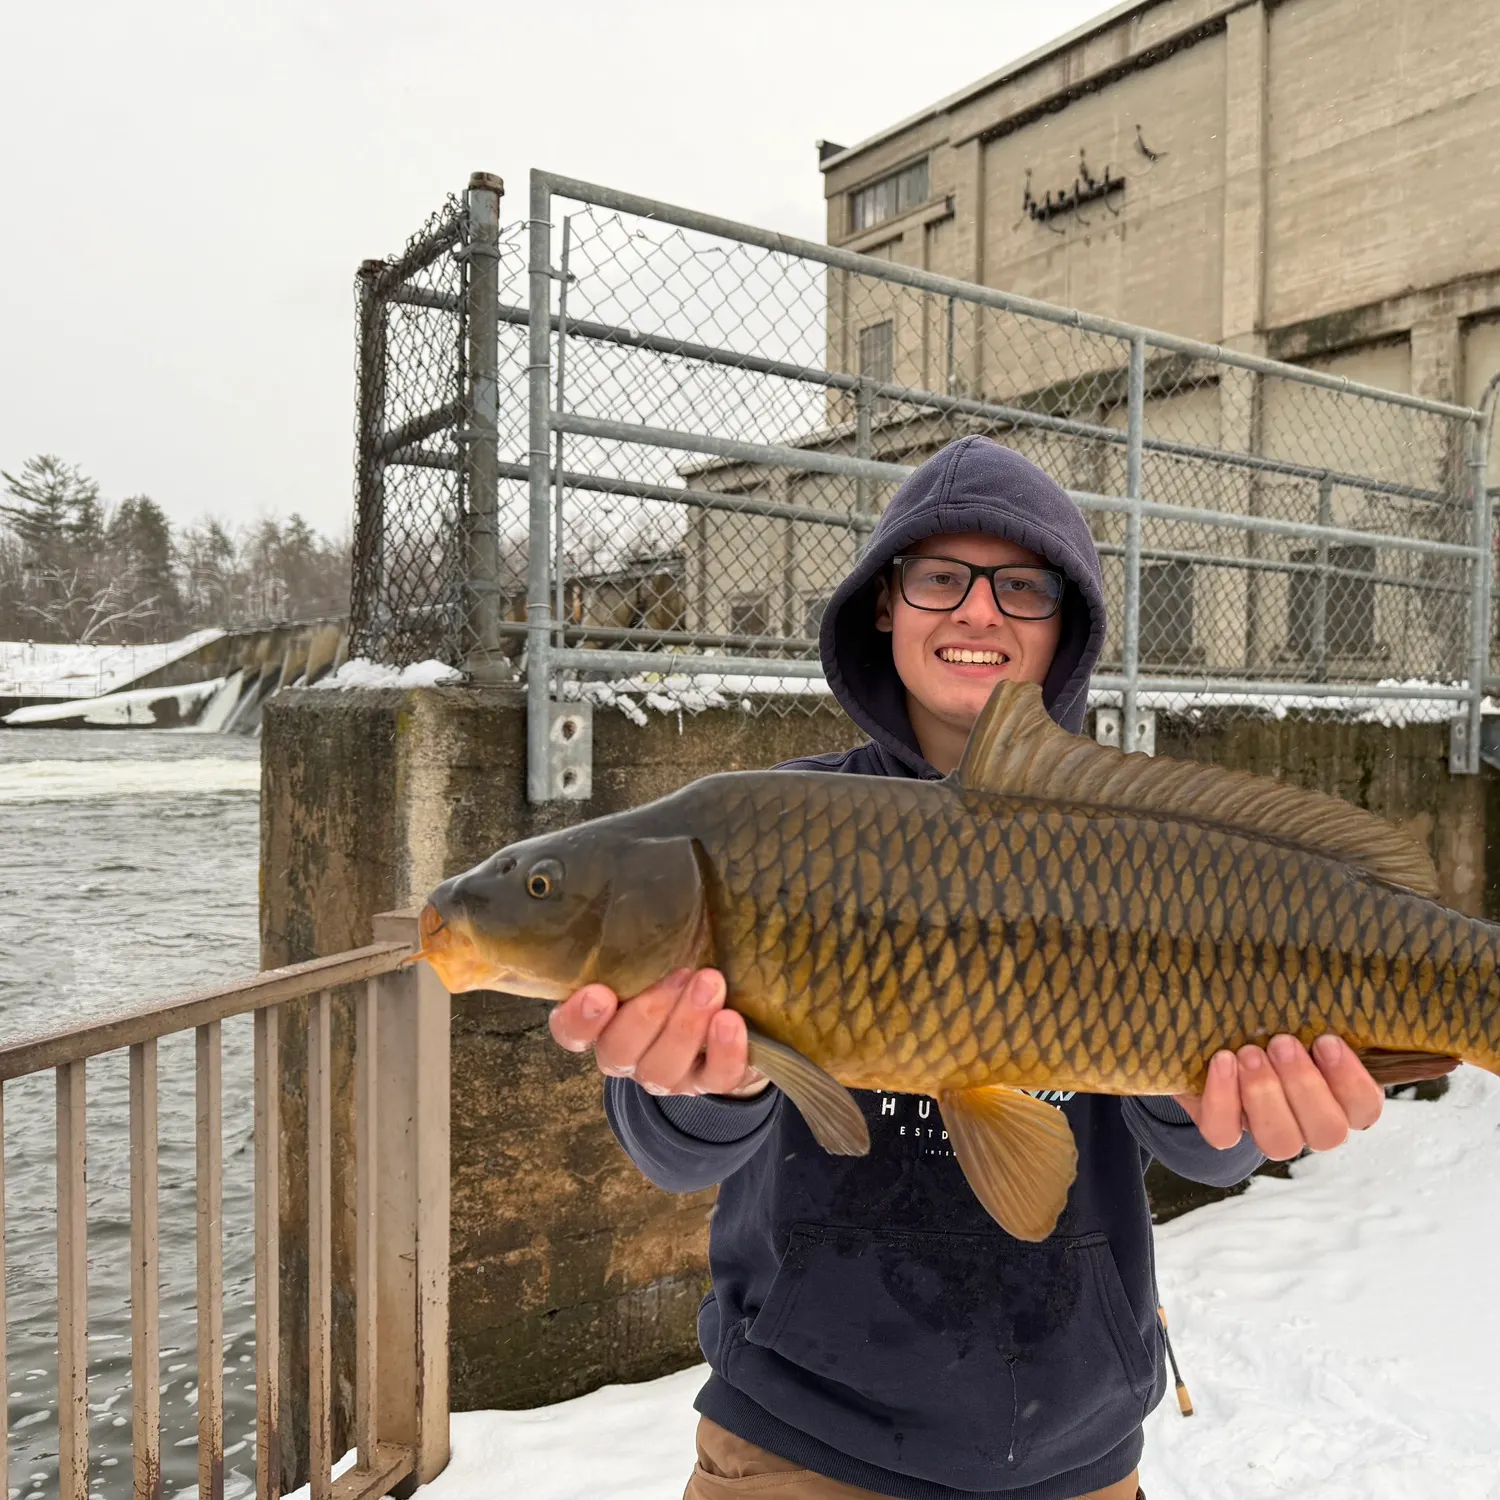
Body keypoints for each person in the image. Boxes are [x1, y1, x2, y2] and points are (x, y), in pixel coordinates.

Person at [548, 437, 1387, 1500]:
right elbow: (668, 1149)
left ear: (1067, 625)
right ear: (884, 604)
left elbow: (1207, 1153)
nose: (979, 612)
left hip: (1080, 1460)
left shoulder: (1144, 847)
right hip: (800, 1445)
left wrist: (1234, 1112)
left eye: (1022, 586)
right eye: (940, 578)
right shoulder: (763, 830)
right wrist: (703, 1084)